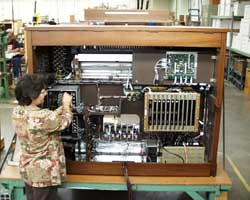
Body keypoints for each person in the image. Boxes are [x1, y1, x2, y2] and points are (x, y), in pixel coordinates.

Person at [12, 74, 73, 200]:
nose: (45, 94)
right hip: (43, 174)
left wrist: (56, 112)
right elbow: (65, 121)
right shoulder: (44, 116)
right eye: (42, 92)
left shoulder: (17, 111)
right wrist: (66, 105)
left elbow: (39, 124)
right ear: (31, 95)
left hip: (28, 170)